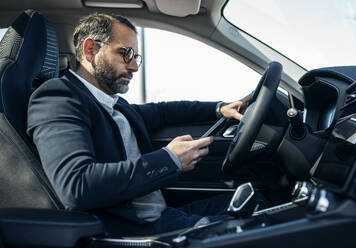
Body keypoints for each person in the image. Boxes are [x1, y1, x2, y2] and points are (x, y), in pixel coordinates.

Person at [27, 13, 252, 236]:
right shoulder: (58, 98)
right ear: (90, 50)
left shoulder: (112, 103)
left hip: (164, 216)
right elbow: (77, 186)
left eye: (136, 56)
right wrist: (170, 159)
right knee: (257, 229)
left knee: (260, 203)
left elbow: (163, 112)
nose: (134, 66)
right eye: (125, 54)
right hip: (135, 232)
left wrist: (220, 108)